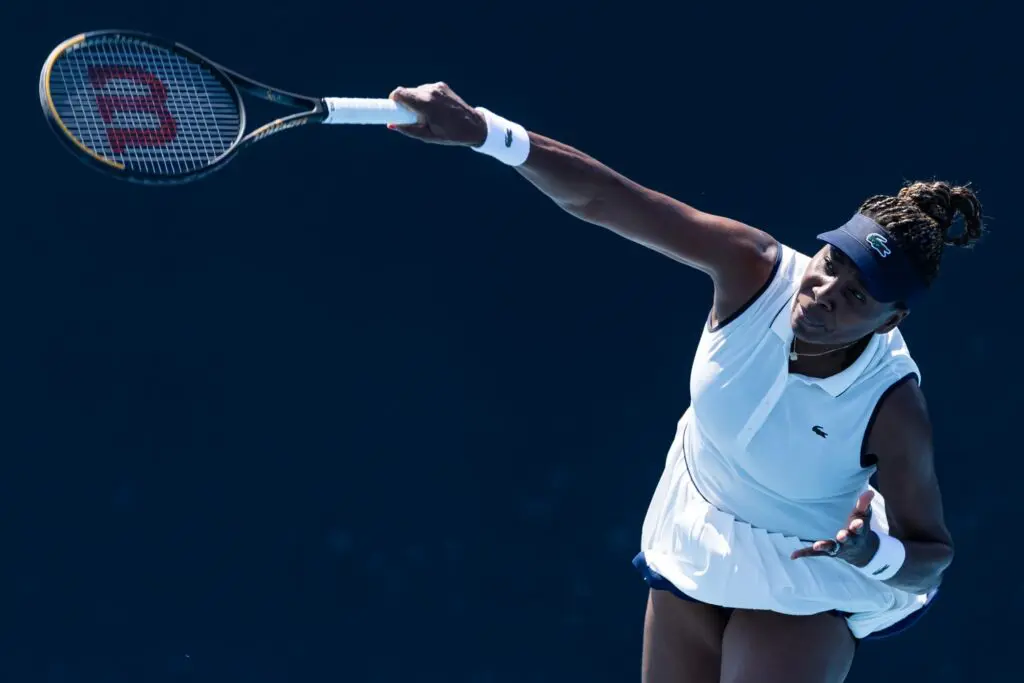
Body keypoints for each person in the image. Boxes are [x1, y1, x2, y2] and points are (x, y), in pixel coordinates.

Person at [386, 82, 983, 683]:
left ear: (892, 321)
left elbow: (930, 557)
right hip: (697, 525)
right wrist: (487, 132)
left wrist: (871, 555)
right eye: (831, 264)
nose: (823, 293)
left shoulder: (894, 407)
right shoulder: (753, 269)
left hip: (807, 568)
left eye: (856, 295)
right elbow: (605, 198)